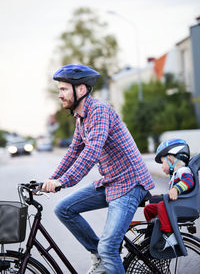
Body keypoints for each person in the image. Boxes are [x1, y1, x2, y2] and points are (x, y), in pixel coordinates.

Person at [42, 64, 155, 274]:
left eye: (63, 89)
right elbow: (73, 152)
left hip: (130, 183)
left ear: (81, 90)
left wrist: (63, 181)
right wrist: (49, 180)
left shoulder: (100, 111)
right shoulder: (81, 118)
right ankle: (100, 257)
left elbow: (90, 152)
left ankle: (105, 255)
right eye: (59, 90)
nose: (59, 95)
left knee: (109, 247)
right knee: (63, 209)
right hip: (111, 181)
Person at [144, 138, 194, 251]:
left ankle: (169, 235)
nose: (162, 167)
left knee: (162, 206)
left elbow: (189, 181)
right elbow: (171, 195)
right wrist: (162, 196)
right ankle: (152, 233)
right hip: (177, 204)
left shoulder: (183, 170)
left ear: (171, 160)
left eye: (163, 163)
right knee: (149, 209)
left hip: (184, 205)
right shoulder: (176, 174)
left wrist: (176, 189)